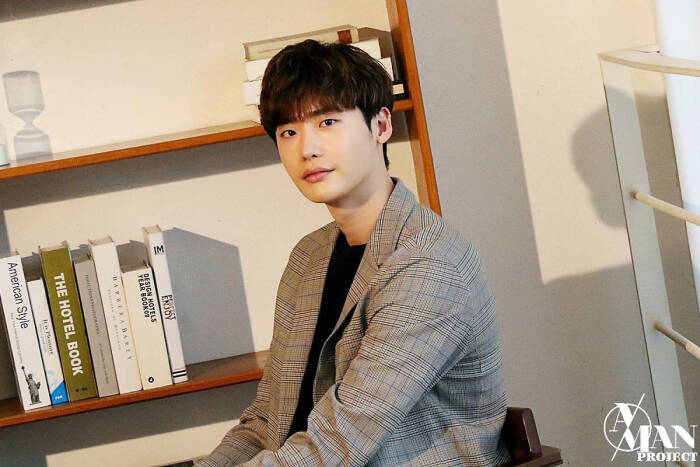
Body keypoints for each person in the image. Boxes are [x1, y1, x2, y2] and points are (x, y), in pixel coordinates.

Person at [196, 39, 511, 466]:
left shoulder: (429, 263)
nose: (307, 149)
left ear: (380, 126)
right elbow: (266, 418)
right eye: (289, 132)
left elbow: (340, 442)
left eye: (327, 122)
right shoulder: (308, 256)